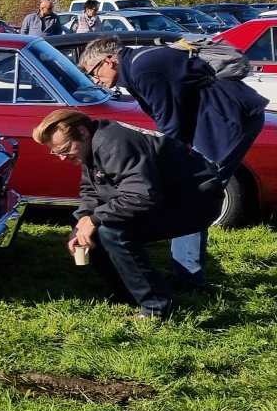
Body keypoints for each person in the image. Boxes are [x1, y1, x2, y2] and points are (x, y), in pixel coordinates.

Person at [80, 35, 268, 286]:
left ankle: (188, 277)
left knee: (195, 192)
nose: (95, 80)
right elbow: (169, 116)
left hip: (228, 119)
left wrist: (165, 163)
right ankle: (187, 272)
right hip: (217, 118)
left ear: (108, 60)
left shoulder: (143, 70)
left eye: (93, 72)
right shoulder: (137, 65)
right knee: (189, 191)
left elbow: (170, 124)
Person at [33, 108, 223, 318]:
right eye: (56, 152)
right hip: (164, 198)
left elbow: (142, 195)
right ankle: (128, 294)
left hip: (196, 201)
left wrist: (95, 219)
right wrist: (84, 219)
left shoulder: (114, 144)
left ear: (82, 132)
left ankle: (155, 308)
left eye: (65, 149)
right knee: (88, 229)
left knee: (112, 232)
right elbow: (92, 189)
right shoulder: (92, 143)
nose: (62, 158)